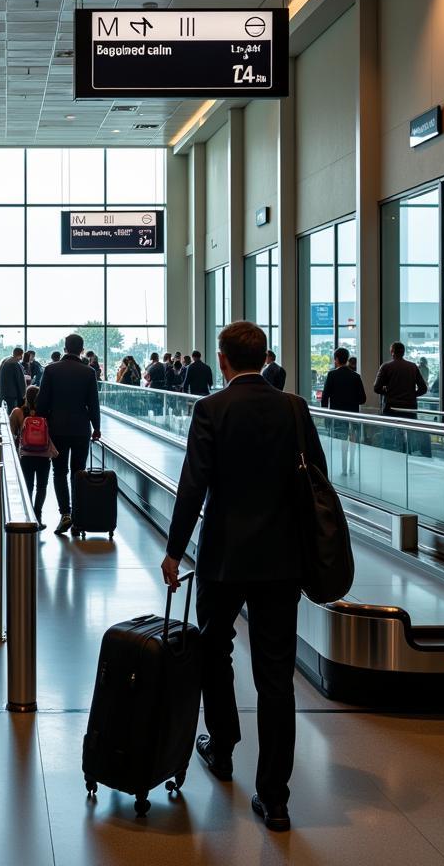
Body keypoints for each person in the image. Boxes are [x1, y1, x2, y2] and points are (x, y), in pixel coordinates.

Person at [161, 321, 328, 834]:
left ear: (223, 359)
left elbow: (193, 486)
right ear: (264, 356)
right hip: (282, 559)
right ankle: (275, 798)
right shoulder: (294, 408)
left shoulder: (211, 409)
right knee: (276, 675)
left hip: (224, 557)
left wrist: (173, 552)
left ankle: (224, 746)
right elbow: (317, 479)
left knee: (215, 649)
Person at [36, 333, 101, 536]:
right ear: (82, 350)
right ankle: (79, 518)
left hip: (57, 429)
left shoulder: (51, 370)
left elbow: (42, 402)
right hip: (81, 429)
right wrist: (96, 427)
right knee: (78, 472)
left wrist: (43, 420)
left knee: (59, 472)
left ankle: (65, 513)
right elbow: (94, 404)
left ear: (65, 348)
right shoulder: (88, 372)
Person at [9, 385, 55, 527]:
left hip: (26, 455)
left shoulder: (18, 412)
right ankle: (38, 515)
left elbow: (12, 433)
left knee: (27, 485)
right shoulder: (46, 412)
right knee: (42, 486)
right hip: (43, 455)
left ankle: (28, 516)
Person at [322, 347, 367, 475]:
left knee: (341, 442)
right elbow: (363, 399)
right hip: (352, 415)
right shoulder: (356, 376)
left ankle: (343, 469)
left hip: (337, 416)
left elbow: (325, 398)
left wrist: (326, 416)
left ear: (336, 359)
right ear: (347, 359)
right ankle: (352, 466)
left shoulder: (332, 375)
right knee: (353, 442)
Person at [372, 342, 427, 418]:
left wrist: (388, 392)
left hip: (391, 407)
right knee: (410, 428)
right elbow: (423, 388)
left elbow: (376, 388)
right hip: (410, 408)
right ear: (403, 353)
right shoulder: (413, 367)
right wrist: (411, 395)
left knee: (390, 429)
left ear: (392, 352)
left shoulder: (386, 367)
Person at [0, 346, 26, 411]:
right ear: (21, 355)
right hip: (12, 396)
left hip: (3, 393)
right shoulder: (15, 364)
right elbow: (20, 381)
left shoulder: (4, 361)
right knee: (11, 414)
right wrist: (23, 395)